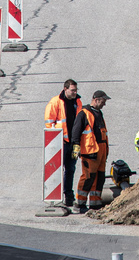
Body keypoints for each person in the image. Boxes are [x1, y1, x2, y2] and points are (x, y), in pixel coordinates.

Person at [42, 79, 82, 211]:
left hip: (72, 142)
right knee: (57, 170)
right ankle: (57, 197)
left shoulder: (78, 102)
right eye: (73, 90)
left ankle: (68, 196)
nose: (75, 93)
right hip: (60, 142)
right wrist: (55, 140)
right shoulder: (55, 102)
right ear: (65, 89)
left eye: (76, 90)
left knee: (70, 169)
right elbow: (49, 122)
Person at [70, 89, 112, 213]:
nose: (104, 104)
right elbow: (76, 131)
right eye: (103, 101)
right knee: (88, 178)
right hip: (90, 152)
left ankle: (95, 203)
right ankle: (79, 204)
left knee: (99, 178)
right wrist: (76, 146)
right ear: (96, 100)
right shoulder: (84, 113)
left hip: (100, 152)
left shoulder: (98, 113)